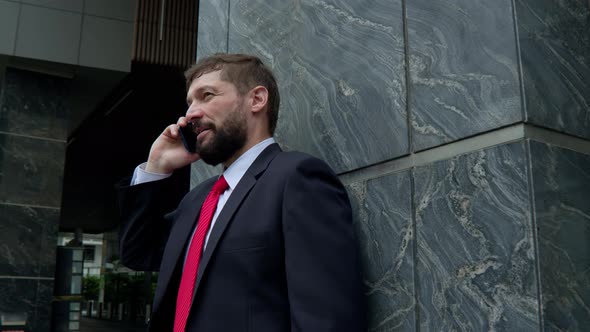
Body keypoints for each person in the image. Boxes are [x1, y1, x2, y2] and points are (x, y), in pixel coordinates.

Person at [117, 53, 365, 331]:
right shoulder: (198, 199)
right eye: (189, 102)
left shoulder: (298, 178)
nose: (190, 114)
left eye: (206, 95)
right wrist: (156, 167)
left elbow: (325, 319)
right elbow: (138, 253)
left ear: (257, 99)